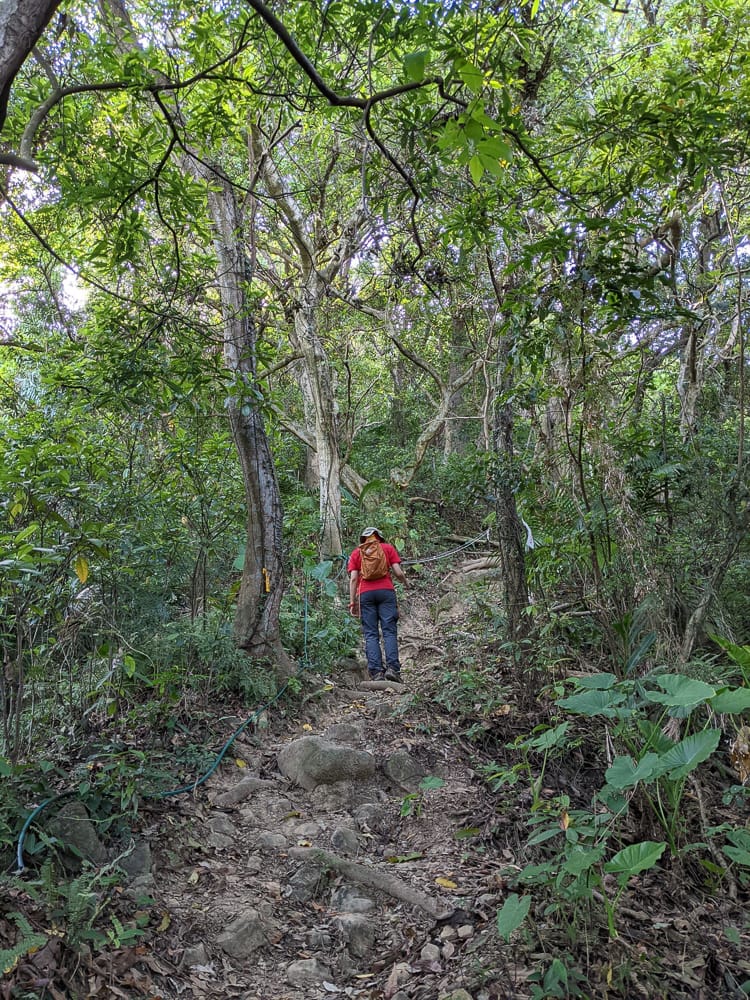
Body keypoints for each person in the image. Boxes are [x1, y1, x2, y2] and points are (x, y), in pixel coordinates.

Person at [347, 527, 407, 683]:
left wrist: (352, 601)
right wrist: (406, 582)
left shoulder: (356, 553)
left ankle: (376, 673)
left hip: (365, 594)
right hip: (386, 592)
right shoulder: (387, 548)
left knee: (371, 634)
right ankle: (393, 669)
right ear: (379, 537)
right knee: (389, 631)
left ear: (363, 540)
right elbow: (398, 572)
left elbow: (353, 579)